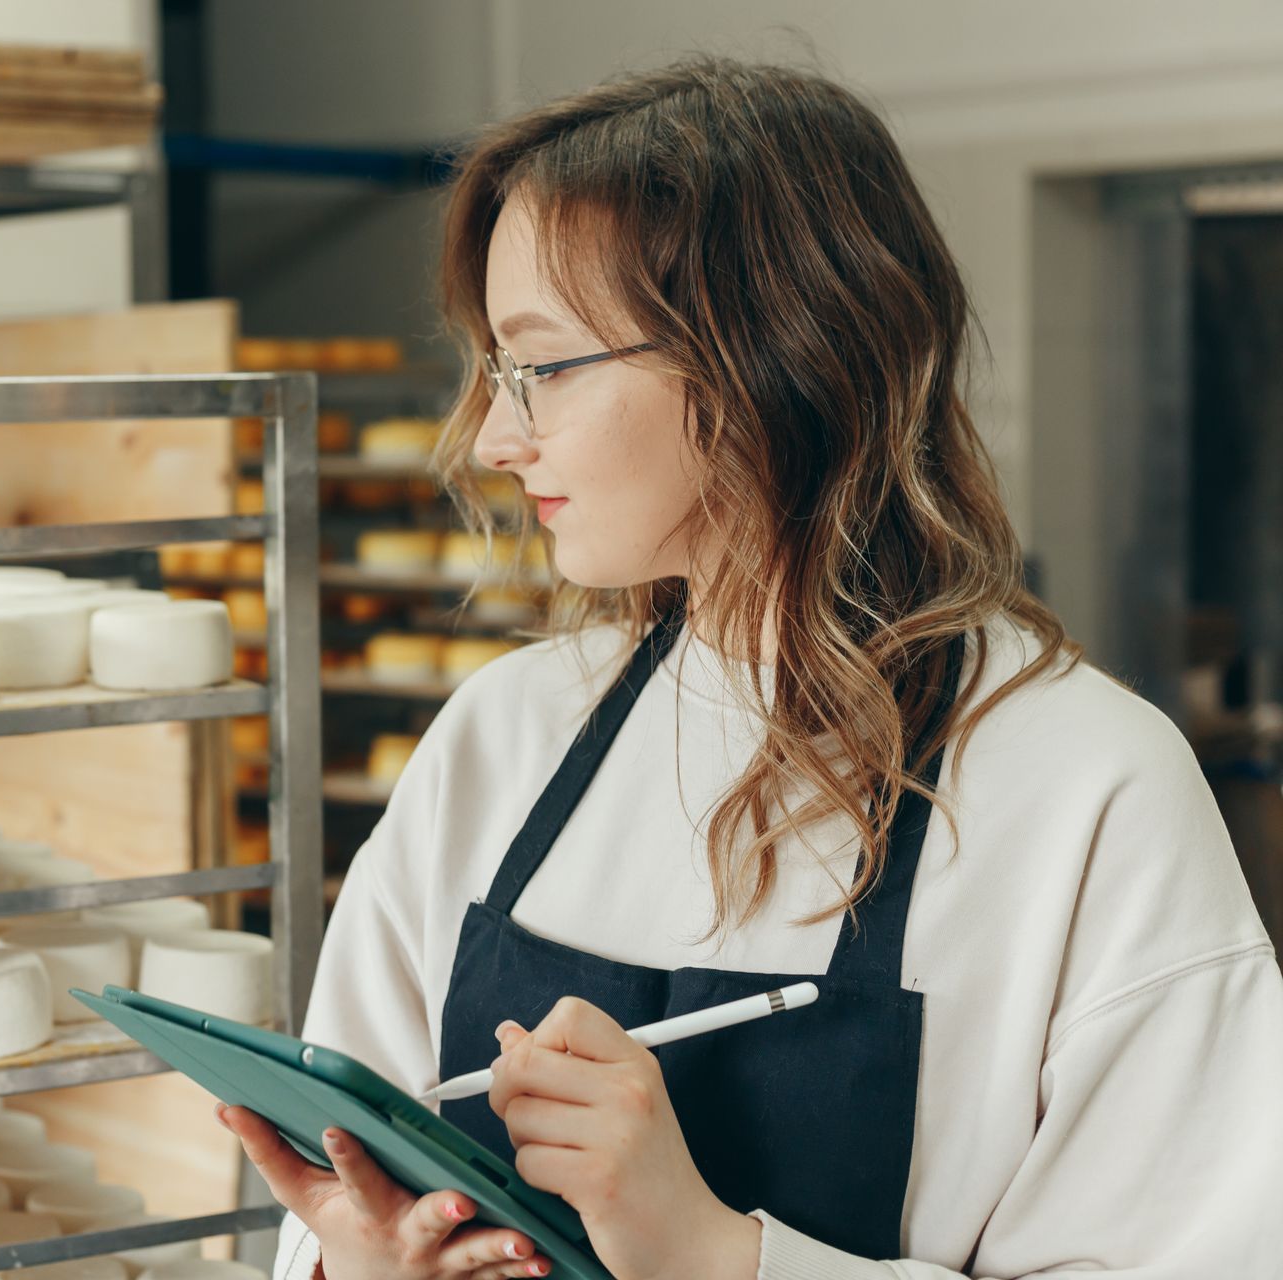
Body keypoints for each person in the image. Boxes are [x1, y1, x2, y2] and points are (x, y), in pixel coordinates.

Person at [222, 58, 1283, 1280]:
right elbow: (335, 1193)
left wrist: (716, 1253)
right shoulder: (500, 738)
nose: (496, 438)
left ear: (768, 357)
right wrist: (364, 1262)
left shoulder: (1086, 787)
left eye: (543, 364)